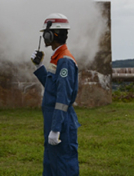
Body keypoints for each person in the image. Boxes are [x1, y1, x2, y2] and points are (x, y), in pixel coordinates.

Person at [31, 13, 80, 176]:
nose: (44, 37)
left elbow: (63, 97)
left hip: (61, 122)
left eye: (45, 33)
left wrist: (56, 128)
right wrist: (39, 67)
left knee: (64, 166)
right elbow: (53, 87)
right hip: (53, 120)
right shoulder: (56, 57)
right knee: (51, 166)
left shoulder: (64, 60)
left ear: (52, 34)